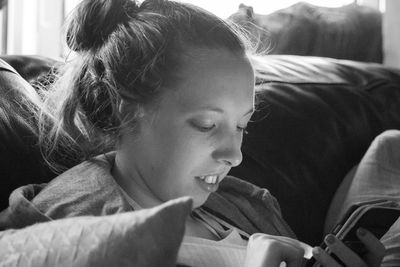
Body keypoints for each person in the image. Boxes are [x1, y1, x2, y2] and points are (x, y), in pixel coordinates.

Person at [0, 0, 387, 266]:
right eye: (207, 125)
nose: (234, 155)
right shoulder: (69, 228)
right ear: (126, 106)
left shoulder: (244, 206)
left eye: (242, 125)